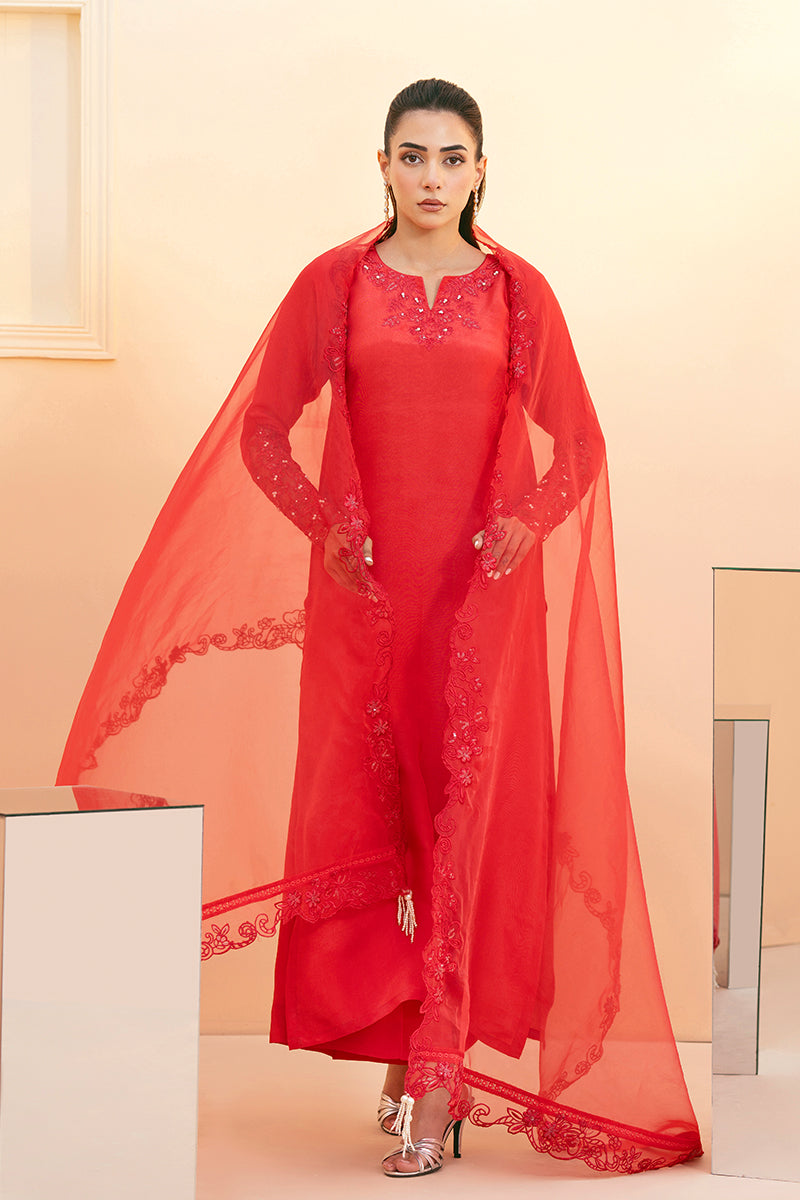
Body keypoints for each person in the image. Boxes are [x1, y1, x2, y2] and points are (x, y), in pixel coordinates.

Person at [58, 78, 702, 1178]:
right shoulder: (336, 283)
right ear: (383, 165)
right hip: (366, 608)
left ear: (481, 170)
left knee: (464, 825)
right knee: (381, 820)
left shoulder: (518, 293)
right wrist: (329, 529)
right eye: (412, 156)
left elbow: (580, 447)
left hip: (480, 607)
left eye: (451, 159)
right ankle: (410, 1049)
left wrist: (523, 525)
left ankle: (437, 1082)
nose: (431, 178)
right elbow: (264, 431)